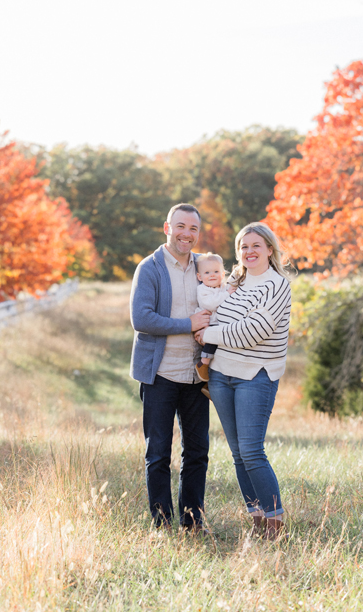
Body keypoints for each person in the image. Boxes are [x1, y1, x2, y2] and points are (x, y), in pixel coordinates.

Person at [194, 222, 294, 540]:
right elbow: (223, 318)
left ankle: (275, 528)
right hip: (222, 375)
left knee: (252, 451)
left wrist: (207, 334)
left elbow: (253, 332)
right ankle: (257, 518)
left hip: (256, 376)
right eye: (243, 247)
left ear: (269, 249)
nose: (249, 252)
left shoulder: (277, 286)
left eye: (255, 245)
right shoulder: (235, 283)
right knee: (238, 453)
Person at [129, 203, 212, 532]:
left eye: (193, 229)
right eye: (180, 226)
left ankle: (193, 524)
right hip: (160, 375)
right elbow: (142, 319)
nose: (186, 234)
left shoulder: (204, 268)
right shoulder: (149, 268)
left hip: (196, 376)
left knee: (197, 453)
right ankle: (161, 526)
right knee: (158, 453)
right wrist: (187, 323)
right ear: (167, 227)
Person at [192, 253, 235, 393]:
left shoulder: (223, 287)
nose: (212, 275)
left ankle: (208, 385)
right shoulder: (203, 289)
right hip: (208, 324)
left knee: (221, 354)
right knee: (213, 340)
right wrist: (228, 294)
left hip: (218, 325)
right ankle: (202, 364)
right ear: (200, 277)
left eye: (216, 271)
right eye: (207, 272)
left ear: (222, 274)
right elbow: (210, 304)